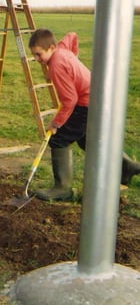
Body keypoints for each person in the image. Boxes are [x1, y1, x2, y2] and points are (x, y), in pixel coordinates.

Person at [28, 28, 140, 201]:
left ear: (51, 47)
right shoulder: (62, 49)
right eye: (34, 55)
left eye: (38, 54)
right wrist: (74, 58)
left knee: (59, 139)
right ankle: (127, 167)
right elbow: (72, 35)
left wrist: (56, 124)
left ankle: (62, 189)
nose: (36, 59)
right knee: (86, 139)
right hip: (99, 97)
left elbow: (70, 100)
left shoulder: (56, 66)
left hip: (86, 103)